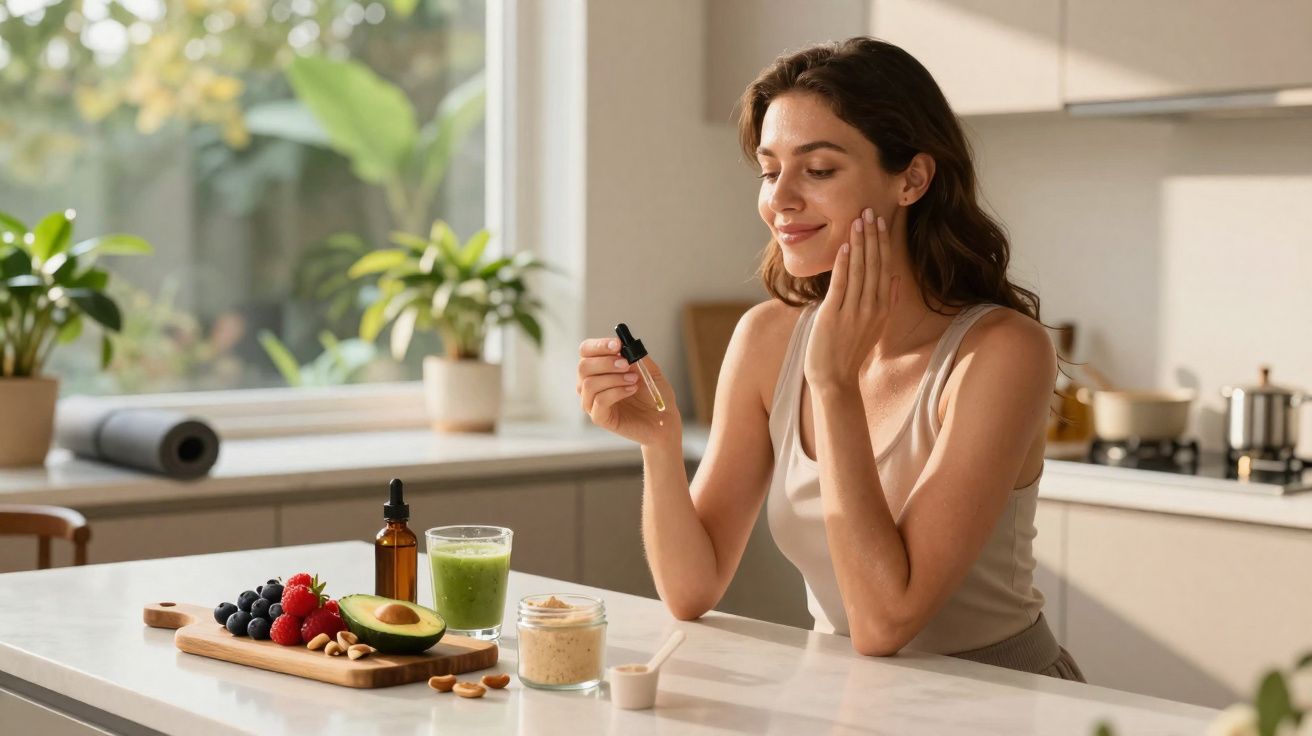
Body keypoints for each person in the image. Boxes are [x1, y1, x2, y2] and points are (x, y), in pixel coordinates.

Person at [576, 37, 1083, 680]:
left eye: (817, 170)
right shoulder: (766, 338)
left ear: (913, 179)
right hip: (855, 696)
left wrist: (835, 382)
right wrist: (659, 441)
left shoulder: (1001, 353)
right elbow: (691, 588)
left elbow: (884, 621)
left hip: (1005, 701)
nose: (779, 199)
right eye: (769, 170)